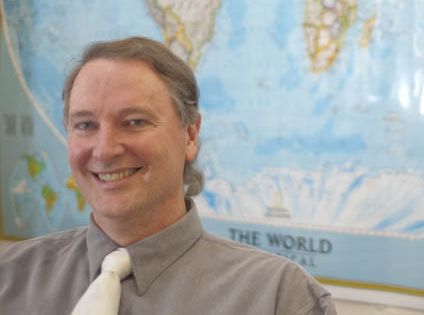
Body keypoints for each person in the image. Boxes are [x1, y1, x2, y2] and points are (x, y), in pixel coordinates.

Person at [0, 36, 337, 314]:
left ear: (190, 136)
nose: (104, 150)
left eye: (134, 122)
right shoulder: (10, 276)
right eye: (85, 125)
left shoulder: (278, 296)